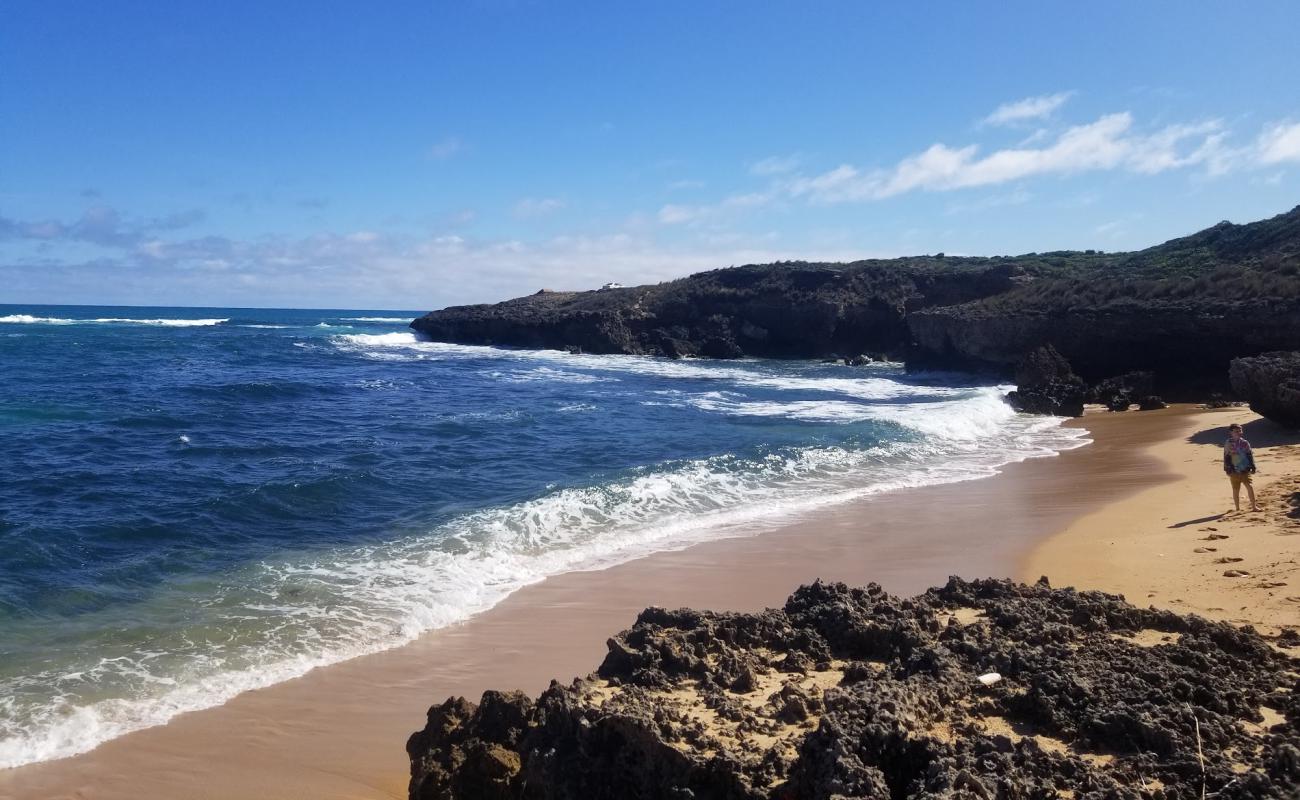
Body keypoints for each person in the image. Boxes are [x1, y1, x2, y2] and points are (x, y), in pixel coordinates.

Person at [1223, 423, 1261, 512]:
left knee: (1249, 486)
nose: (1239, 432)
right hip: (1233, 469)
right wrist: (1227, 468)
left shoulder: (1245, 442)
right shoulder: (1228, 443)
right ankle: (1237, 508)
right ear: (1231, 432)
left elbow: (1249, 454)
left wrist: (1253, 465)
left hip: (1245, 469)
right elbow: (1226, 456)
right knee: (1236, 489)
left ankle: (1254, 506)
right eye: (1236, 431)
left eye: (1240, 430)